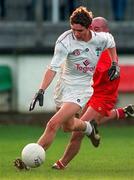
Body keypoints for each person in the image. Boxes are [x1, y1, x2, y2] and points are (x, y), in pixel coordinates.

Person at [14, 7, 119, 169]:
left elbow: (111, 42)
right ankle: (89, 127)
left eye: (80, 30)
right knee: (68, 126)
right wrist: (41, 90)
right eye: (73, 29)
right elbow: (52, 68)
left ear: (89, 27)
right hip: (63, 86)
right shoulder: (64, 41)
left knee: (52, 124)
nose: (76, 33)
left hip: (82, 89)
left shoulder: (100, 38)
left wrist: (114, 63)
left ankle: (28, 163)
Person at [51, 17, 134, 170]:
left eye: (97, 29)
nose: (93, 32)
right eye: (92, 28)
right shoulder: (93, 46)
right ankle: (122, 113)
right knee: (77, 125)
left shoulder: (104, 52)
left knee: (79, 131)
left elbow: (92, 69)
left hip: (103, 96)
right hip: (90, 92)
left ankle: (62, 164)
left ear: (105, 32)